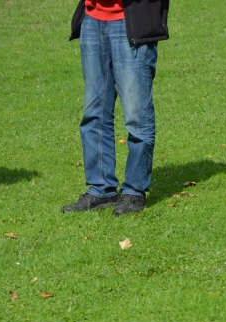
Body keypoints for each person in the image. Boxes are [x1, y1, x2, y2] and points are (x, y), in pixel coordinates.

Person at [63, 0, 170, 215]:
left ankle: (134, 191)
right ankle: (101, 189)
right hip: (93, 19)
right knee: (94, 114)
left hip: (131, 22)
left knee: (137, 117)